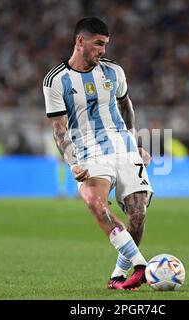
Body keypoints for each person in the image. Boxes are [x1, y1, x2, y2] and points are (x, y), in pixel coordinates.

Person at [42, 17, 153, 290]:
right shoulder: (56, 81)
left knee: (137, 216)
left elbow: (126, 106)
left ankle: (118, 275)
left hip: (123, 145)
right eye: (98, 44)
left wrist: (135, 140)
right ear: (80, 41)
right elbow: (59, 128)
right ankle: (141, 265)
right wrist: (73, 163)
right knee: (95, 201)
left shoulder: (114, 71)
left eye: (105, 44)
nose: (103, 50)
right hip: (88, 149)